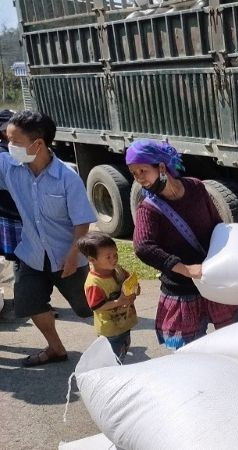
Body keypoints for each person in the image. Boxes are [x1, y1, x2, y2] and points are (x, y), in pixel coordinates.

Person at [128, 139, 238, 349]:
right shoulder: (148, 209)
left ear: (162, 167)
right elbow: (143, 246)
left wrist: (224, 259)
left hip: (212, 279)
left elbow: (216, 225)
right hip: (182, 290)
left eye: (142, 171)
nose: (139, 179)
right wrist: (184, 269)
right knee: (190, 353)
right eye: (134, 173)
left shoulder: (196, 187)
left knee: (234, 342)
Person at [0, 111, 97, 366]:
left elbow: (82, 221)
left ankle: (117, 340)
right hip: (30, 253)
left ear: (38, 143)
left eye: (14, 141)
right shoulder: (10, 167)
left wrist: (74, 255)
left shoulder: (67, 177)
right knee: (31, 302)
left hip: (67, 254)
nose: (9, 146)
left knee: (88, 306)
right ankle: (56, 349)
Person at [78, 232, 139, 361]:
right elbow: (97, 306)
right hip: (110, 329)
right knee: (113, 357)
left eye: (115, 254)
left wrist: (135, 290)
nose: (114, 259)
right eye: (108, 257)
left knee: (124, 345)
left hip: (124, 322)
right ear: (92, 260)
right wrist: (119, 301)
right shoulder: (94, 283)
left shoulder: (117, 270)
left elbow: (129, 282)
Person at [0, 109, 20, 320]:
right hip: (9, 214)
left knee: (21, 259)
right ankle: (26, 300)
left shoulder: (14, 149)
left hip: (17, 214)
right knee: (18, 258)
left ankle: (28, 299)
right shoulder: (3, 154)